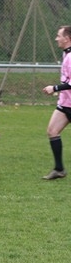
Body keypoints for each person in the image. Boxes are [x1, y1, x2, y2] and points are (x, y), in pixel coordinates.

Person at [41, 26, 71, 180]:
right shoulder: (66, 54)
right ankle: (59, 169)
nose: (56, 38)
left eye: (59, 35)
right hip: (65, 104)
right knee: (52, 131)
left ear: (67, 38)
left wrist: (55, 88)